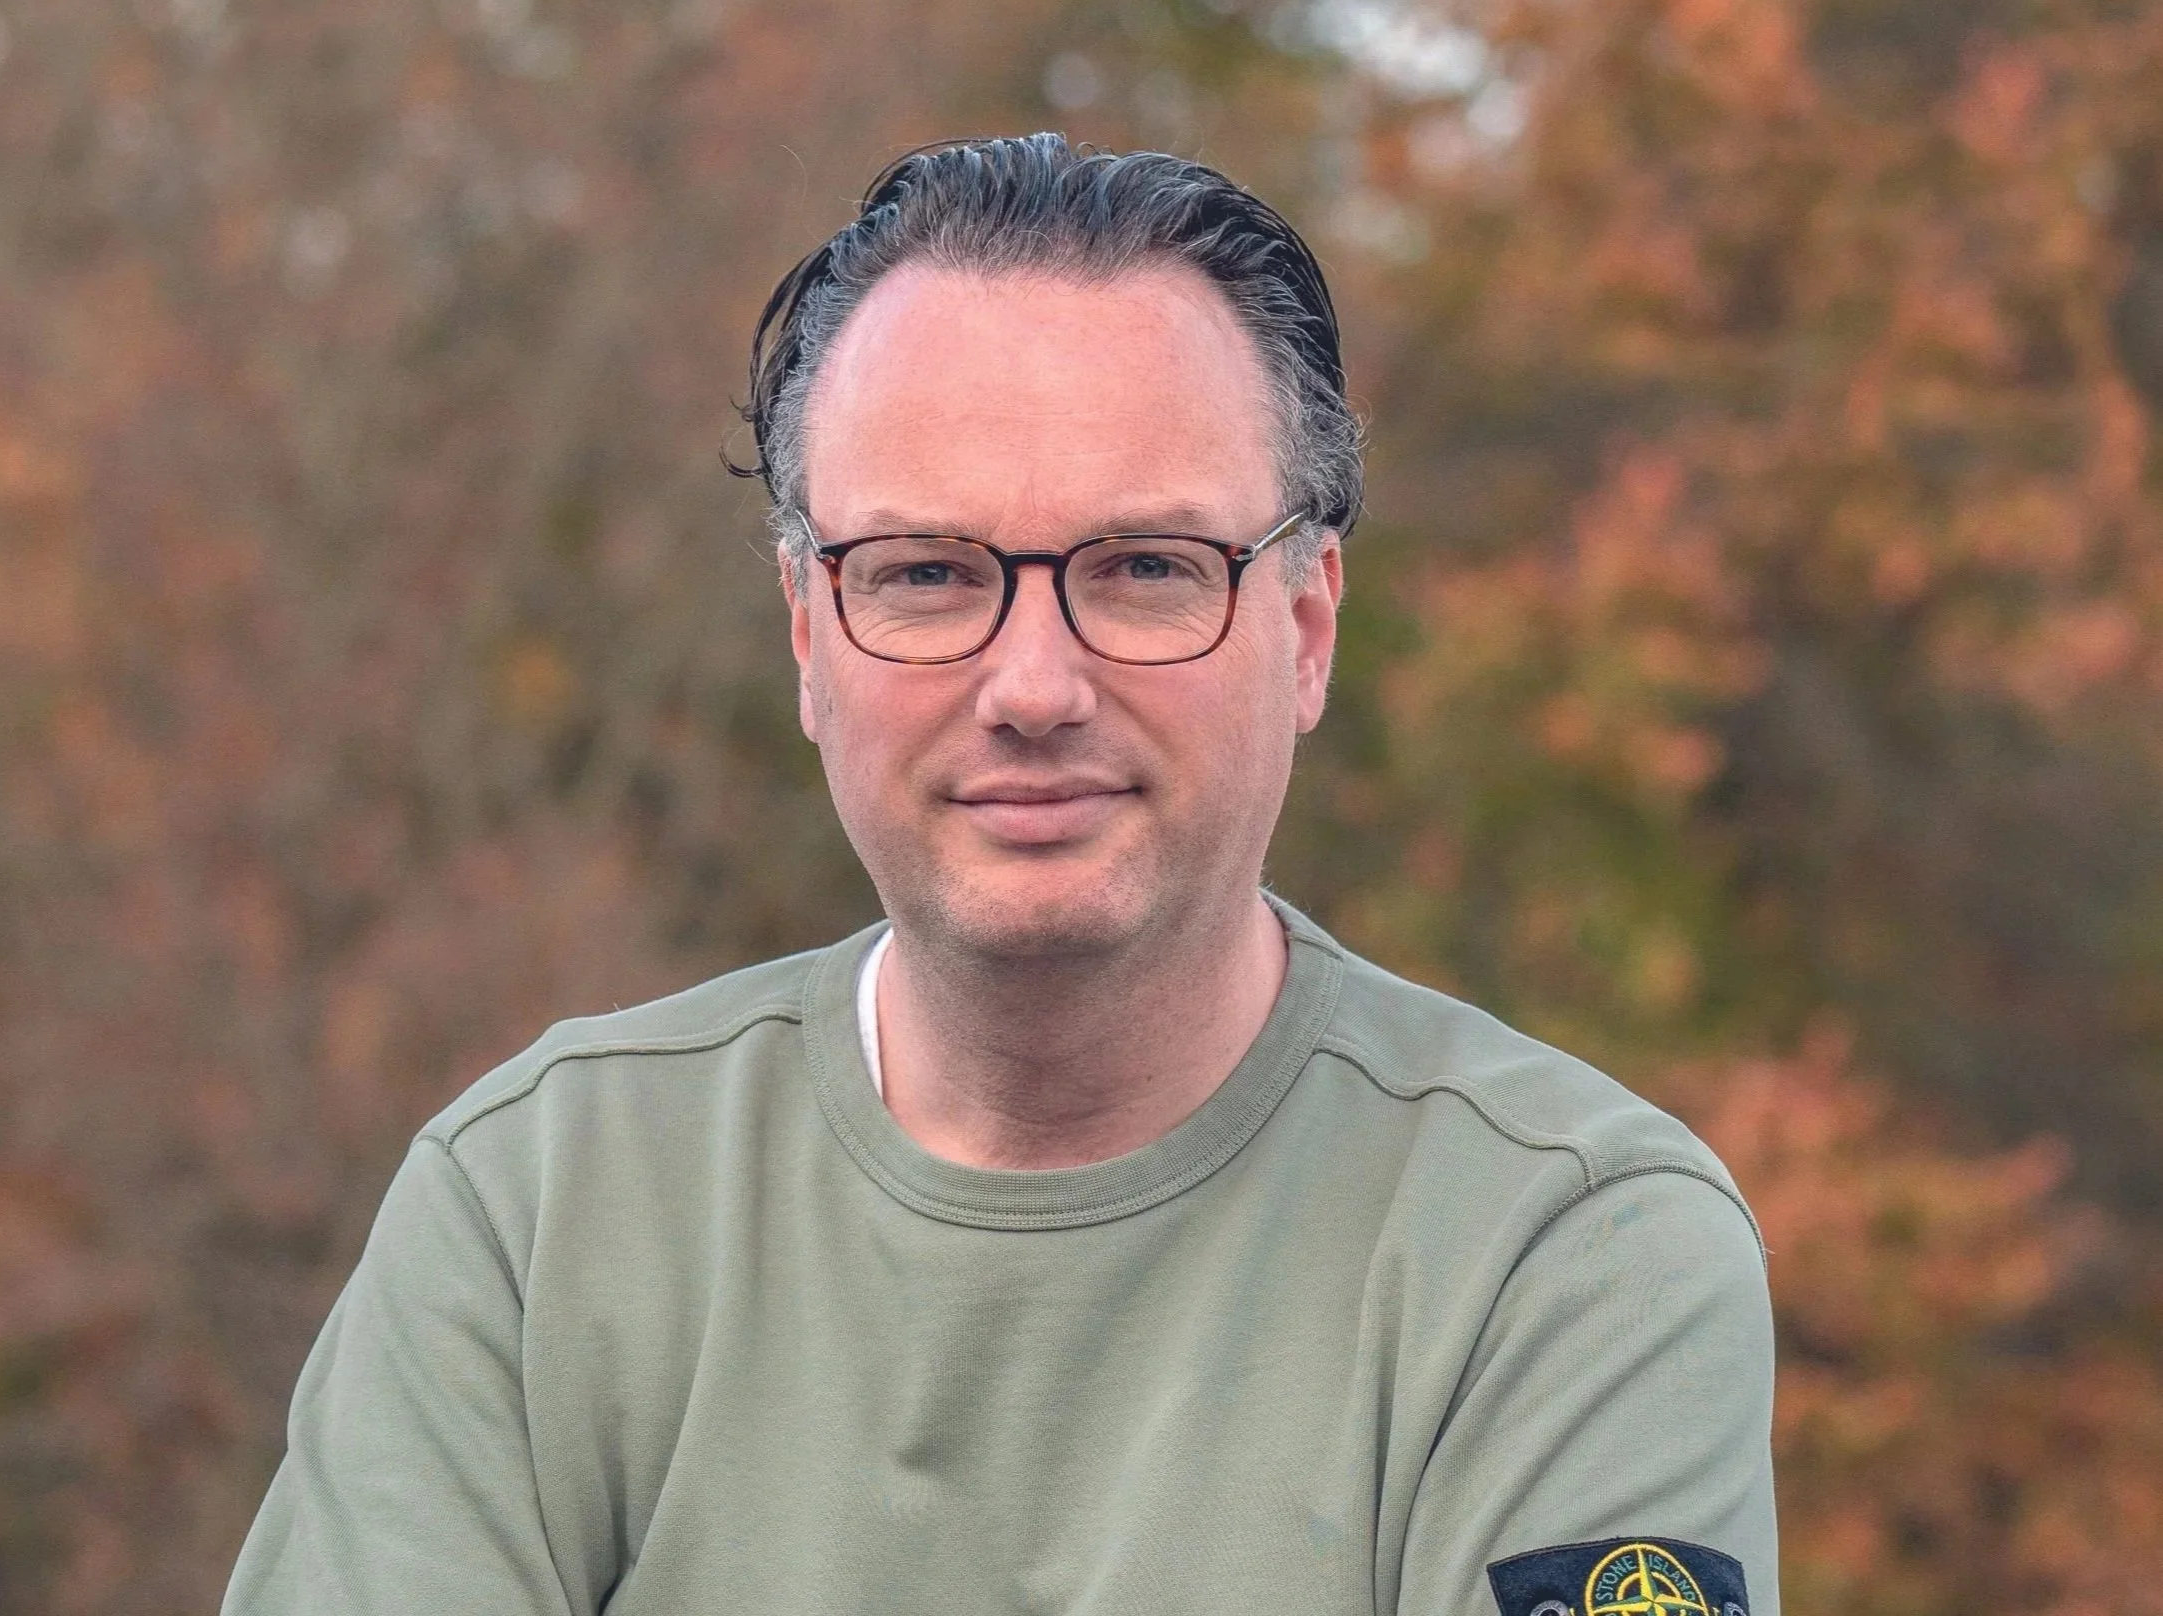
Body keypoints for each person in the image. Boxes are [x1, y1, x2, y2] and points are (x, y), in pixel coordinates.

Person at [221, 134, 1778, 1616]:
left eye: (1148, 569)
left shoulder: (1567, 1252)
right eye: (924, 575)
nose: (1033, 684)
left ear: (1305, 628)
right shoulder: (537, 1215)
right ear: (806, 635)